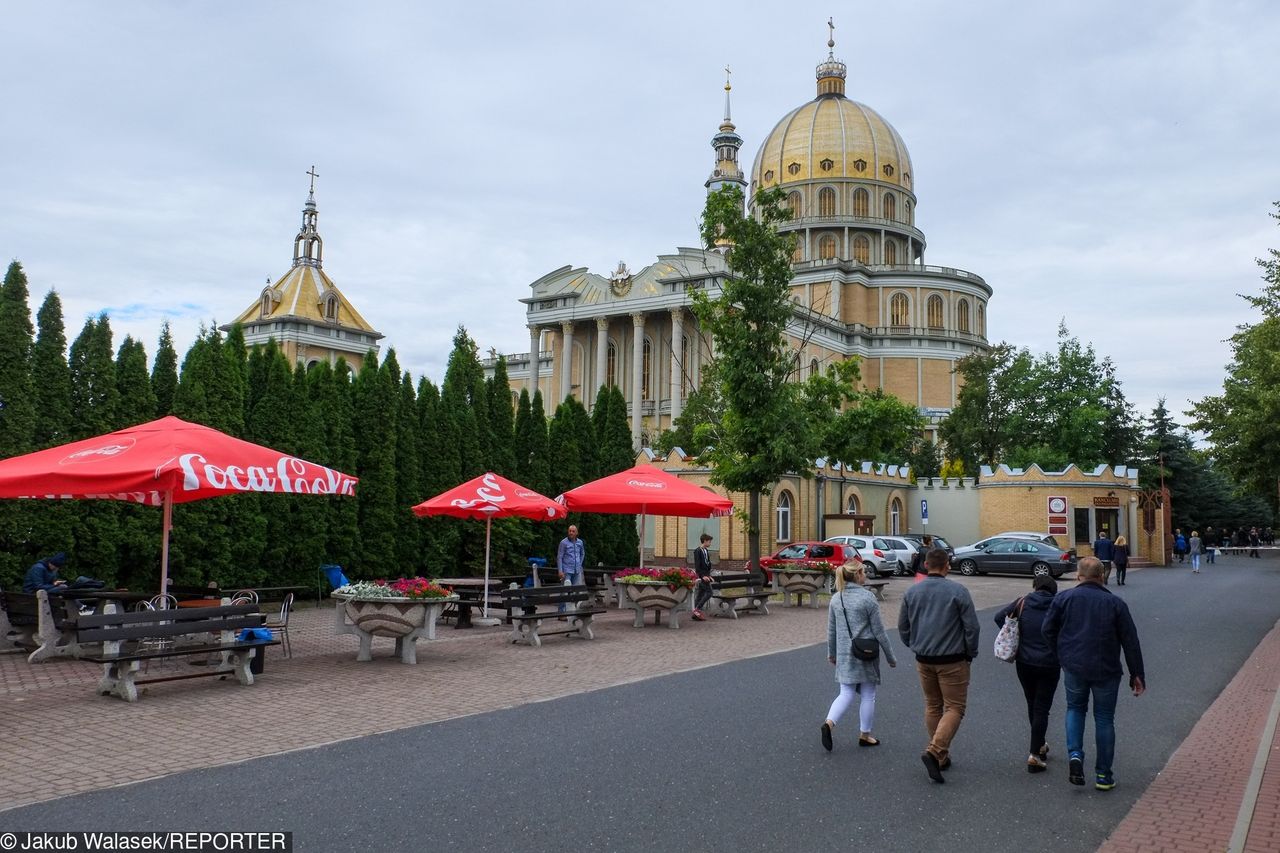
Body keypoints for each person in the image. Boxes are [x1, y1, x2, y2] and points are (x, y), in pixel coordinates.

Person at [1043, 556, 1145, 792]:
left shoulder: (1064, 599)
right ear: (1102, 576)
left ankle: (1075, 755)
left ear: (1079, 576)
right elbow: (1131, 642)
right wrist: (1136, 674)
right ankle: (1103, 775)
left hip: (1074, 666)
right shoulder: (1115, 604)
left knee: (1075, 708)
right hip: (1106, 669)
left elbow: (1047, 630)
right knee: (1104, 718)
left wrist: (1061, 654)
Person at [898, 548, 980, 783]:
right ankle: (935, 750)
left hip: (924, 658)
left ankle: (941, 756)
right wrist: (970, 652)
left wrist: (914, 644)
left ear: (925, 564)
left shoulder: (912, 592)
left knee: (933, 705)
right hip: (952, 658)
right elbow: (972, 628)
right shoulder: (958, 591)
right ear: (947, 566)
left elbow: (903, 626)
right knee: (954, 708)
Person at [822, 559, 897, 751]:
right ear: (857, 575)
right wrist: (890, 656)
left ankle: (829, 723)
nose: (866, 575)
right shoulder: (867, 598)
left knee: (845, 692)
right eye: (864, 572)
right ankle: (865, 735)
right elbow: (879, 631)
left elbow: (831, 630)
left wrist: (832, 653)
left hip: (845, 653)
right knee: (868, 695)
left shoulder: (836, 598)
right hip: (867, 653)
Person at [994, 576, 1061, 772]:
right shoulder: (1058, 605)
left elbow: (999, 617)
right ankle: (1035, 753)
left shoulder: (1022, 602)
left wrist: (1016, 634)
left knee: (1032, 703)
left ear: (1035, 586)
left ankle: (1039, 744)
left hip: (1024, 661)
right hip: (1050, 662)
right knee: (1042, 707)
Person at [556, 525, 585, 614]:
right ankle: (561, 613)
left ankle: (572, 611)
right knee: (565, 591)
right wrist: (560, 570)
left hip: (576, 570)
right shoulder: (563, 543)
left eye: (573, 531)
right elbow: (559, 557)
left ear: (576, 533)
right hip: (566, 570)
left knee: (575, 591)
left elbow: (582, 553)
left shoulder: (580, 542)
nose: (571, 533)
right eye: (569, 531)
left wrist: (580, 564)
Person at [691, 533, 714, 621]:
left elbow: (707, 564)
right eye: (709, 541)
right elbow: (698, 566)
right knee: (709, 592)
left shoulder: (706, 551)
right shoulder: (698, 551)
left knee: (700, 594)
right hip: (702, 576)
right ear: (704, 541)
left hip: (706, 575)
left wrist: (709, 575)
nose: (710, 543)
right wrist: (702, 576)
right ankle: (697, 609)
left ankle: (695, 613)